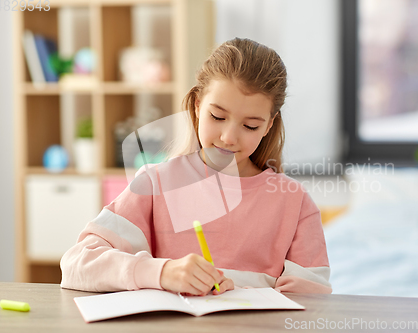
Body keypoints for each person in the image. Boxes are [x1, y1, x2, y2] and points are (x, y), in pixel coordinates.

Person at [60, 38, 332, 296]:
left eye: (250, 126)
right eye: (217, 116)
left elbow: (311, 302)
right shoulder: (154, 185)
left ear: (268, 125)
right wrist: (161, 272)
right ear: (197, 105)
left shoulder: (295, 204)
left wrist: (241, 294)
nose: (228, 137)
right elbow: (76, 265)